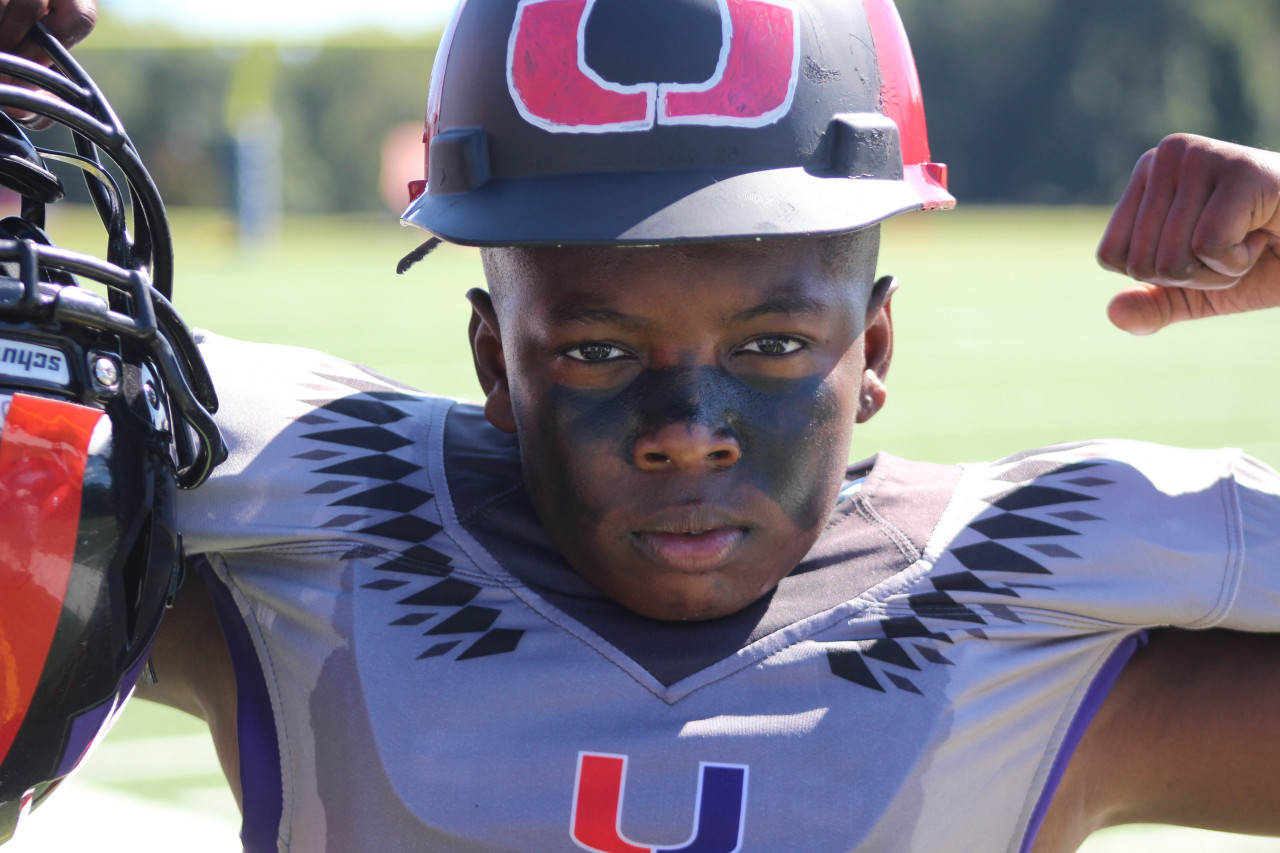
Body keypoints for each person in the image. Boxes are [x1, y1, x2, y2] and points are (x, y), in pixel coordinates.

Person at [9, 1, 1280, 852]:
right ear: (491, 361)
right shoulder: (308, 518)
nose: (687, 433)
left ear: (873, 350)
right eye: (599, 350)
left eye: (771, 347)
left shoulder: (1037, 604)